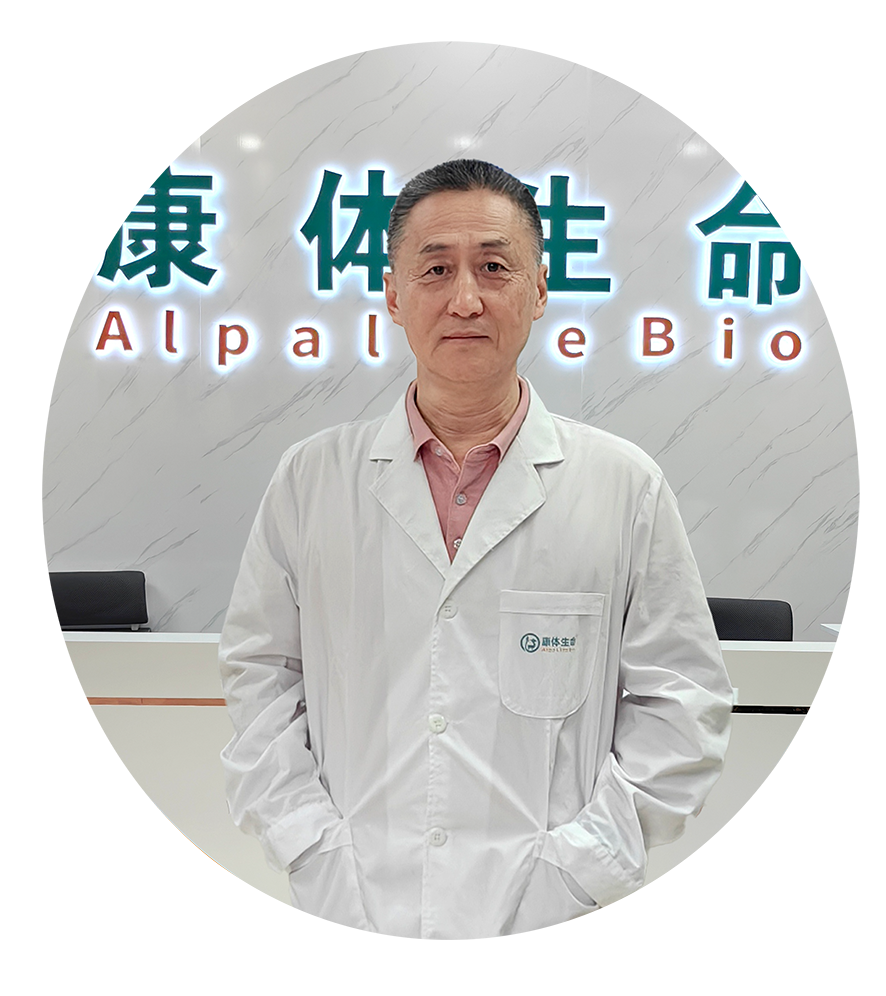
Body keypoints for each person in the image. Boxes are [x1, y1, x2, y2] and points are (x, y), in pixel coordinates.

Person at [219, 158, 733, 940]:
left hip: (550, 917)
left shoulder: (623, 485)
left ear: (540, 289)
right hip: (354, 907)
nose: (466, 298)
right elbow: (260, 673)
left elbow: (683, 703)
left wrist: (581, 867)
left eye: (495, 267)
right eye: (435, 269)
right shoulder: (312, 479)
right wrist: (311, 845)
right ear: (393, 295)